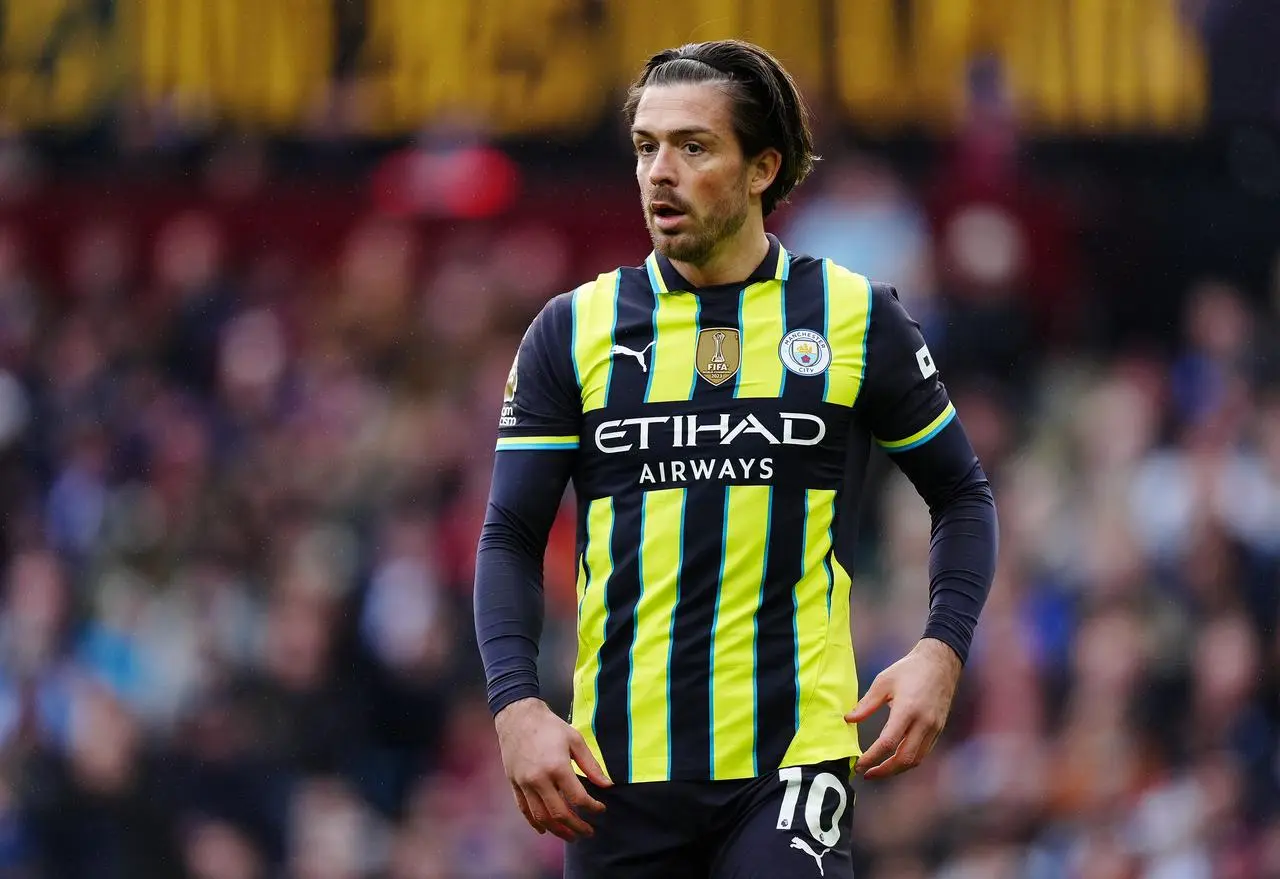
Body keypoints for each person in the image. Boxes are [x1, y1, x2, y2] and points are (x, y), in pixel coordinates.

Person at [473, 39, 998, 879]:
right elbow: (509, 532)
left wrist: (942, 648)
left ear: (763, 168)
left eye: (693, 146)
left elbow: (963, 496)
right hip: (618, 770)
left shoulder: (853, 318)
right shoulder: (571, 332)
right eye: (646, 146)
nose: (659, 172)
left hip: (790, 760)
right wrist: (515, 704)